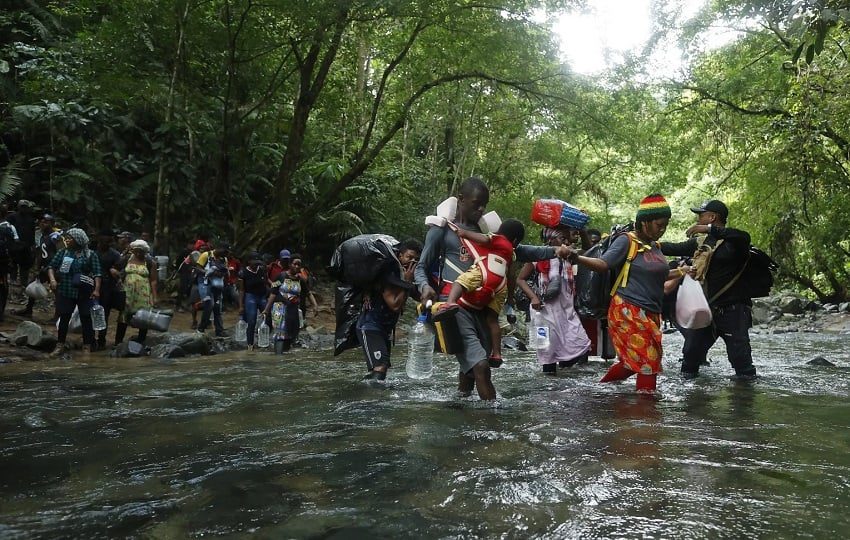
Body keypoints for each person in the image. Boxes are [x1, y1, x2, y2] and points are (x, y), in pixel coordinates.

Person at [414, 177, 571, 401]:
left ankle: (458, 406)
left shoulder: (486, 231)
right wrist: (424, 286)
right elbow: (421, 266)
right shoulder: (441, 231)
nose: (481, 209)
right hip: (455, 306)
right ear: (461, 199)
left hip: (484, 307)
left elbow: (520, 251)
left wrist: (555, 251)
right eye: (476, 203)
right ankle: (492, 423)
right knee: (481, 365)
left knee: (469, 370)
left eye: (484, 205)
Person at [565, 194, 688, 393]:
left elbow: (660, 274)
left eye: (666, 225)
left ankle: (600, 391)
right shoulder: (626, 241)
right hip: (627, 310)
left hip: (650, 312)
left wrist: (683, 271)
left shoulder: (655, 247)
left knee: (633, 362)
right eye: (659, 224)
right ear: (645, 222)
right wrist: (576, 257)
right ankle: (645, 413)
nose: (663, 229)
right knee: (648, 362)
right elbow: (603, 264)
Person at [660, 199, 757, 379]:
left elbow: (743, 236)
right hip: (706, 310)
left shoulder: (735, 243)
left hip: (733, 312)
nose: (698, 219)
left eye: (701, 215)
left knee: (742, 365)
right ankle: (693, 402)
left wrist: (710, 229)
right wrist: (647, 241)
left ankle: (745, 402)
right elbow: (671, 247)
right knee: (690, 359)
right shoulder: (701, 242)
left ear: (712, 217)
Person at [442, 218, 525, 368]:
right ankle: (497, 354)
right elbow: (511, 276)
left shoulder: (498, 239)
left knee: (461, 281)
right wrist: (510, 299)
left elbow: (484, 239)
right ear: (515, 240)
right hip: (500, 285)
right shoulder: (511, 254)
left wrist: (464, 232)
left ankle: (450, 302)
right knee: (493, 320)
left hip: (485, 272)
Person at [517, 225, 591, 374]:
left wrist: (582, 231)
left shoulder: (570, 256)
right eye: (562, 238)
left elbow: (588, 251)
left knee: (581, 346)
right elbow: (520, 279)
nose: (566, 242)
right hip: (543, 312)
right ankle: (549, 389)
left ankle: (565, 378)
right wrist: (533, 297)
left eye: (566, 238)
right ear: (551, 240)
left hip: (566, 312)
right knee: (547, 354)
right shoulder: (537, 257)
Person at [358, 239, 422, 381]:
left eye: (416, 259)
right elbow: (394, 305)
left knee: (382, 368)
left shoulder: (403, 276)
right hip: (370, 327)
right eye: (409, 257)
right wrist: (407, 282)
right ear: (400, 256)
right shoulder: (388, 275)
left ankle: (367, 395)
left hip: (384, 329)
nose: (412, 262)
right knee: (380, 367)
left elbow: (419, 296)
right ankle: (370, 400)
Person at [47, 228, 102, 356]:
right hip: (66, 290)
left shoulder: (90, 254)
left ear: (78, 240)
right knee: (64, 316)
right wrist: (53, 279)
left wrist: (97, 289)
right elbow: (51, 266)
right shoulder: (63, 252)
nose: (66, 240)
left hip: (85, 291)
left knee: (86, 318)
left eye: (70, 238)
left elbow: (97, 273)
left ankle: (87, 346)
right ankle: (60, 345)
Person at [264, 253, 306, 352]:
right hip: (280, 308)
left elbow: (308, 293)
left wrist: (315, 306)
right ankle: (278, 357)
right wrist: (266, 309)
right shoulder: (281, 276)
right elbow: (273, 292)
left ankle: (285, 359)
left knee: (290, 333)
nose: (296, 266)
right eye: (294, 264)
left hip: (293, 309)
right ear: (290, 264)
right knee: (280, 333)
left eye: (299, 265)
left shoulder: (300, 280)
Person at [119, 239, 158, 344]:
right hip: (128, 292)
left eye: (141, 251)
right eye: (136, 250)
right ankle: (118, 341)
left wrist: (154, 297)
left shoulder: (150, 262)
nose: (138, 253)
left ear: (145, 252)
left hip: (144, 294)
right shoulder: (126, 259)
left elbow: (153, 281)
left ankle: (141, 340)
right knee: (124, 315)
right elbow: (117, 270)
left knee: (144, 317)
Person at [94, 230, 124, 349]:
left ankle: (101, 339)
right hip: (92, 285)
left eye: (108, 241)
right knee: (91, 312)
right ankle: (91, 338)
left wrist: (114, 271)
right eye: (103, 241)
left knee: (104, 313)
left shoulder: (115, 254)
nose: (105, 243)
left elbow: (120, 270)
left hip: (107, 287)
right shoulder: (92, 252)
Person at [195, 243, 229, 337]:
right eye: (224, 252)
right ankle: (201, 327)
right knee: (209, 304)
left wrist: (221, 274)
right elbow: (197, 269)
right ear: (218, 248)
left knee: (217, 308)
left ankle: (219, 331)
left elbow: (224, 272)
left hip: (217, 284)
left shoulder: (224, 259)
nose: (225, 254)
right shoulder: (206, 255)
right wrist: (209, 272)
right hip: (205, 284)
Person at [238, 252, 268, 351]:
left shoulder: (262, 270)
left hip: (262, 296)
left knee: (268, 318)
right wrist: (241, 305)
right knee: (251, 320)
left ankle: (264, 340)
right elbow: (241, 290)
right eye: (254, 262)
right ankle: (250, 344)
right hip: (250, 296)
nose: (256, 264)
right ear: (249, 261)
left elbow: (266, 282)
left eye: (257, 262)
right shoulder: (243, 273)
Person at [8, 199, 36, 285]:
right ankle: (13, 280)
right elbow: (7, 229)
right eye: (22, 207)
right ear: (18, 207)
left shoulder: (30, 219)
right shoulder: (12, 217)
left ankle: (24, 282)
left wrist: (32, 245)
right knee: (13, 263)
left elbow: (32, 232)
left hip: (26, 246)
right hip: (14, 245)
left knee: (25, 265)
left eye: (25, 207)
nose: (24, 209)